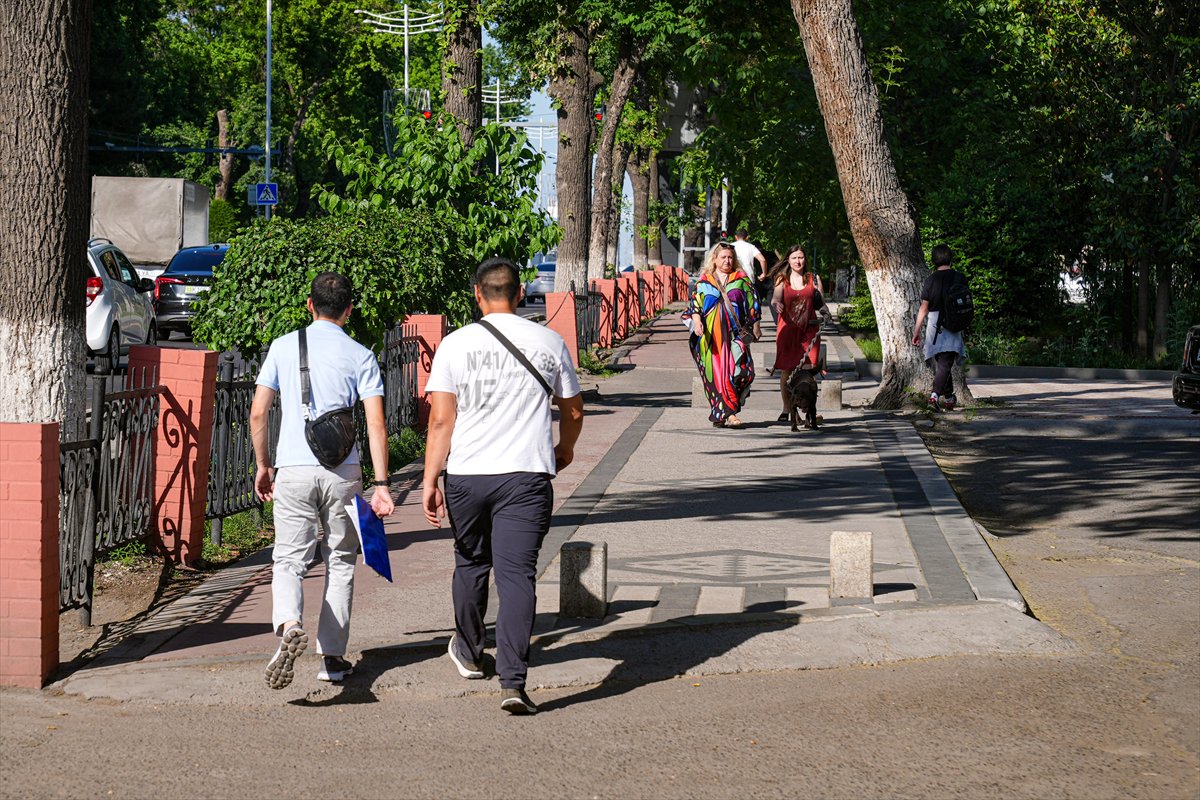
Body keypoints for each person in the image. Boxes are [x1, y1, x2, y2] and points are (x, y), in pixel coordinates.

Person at [422, 257, 585, 715]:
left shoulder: (455, 344)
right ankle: (513, 683)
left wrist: (430, 479)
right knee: (517, 576)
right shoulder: (549, 341)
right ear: (519, 294)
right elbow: (573, 410)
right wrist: (565, 449)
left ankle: (470, 652)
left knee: (471, 562)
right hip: (526, 476)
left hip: (468, 475)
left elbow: (441, 420)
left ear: (478, 294)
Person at [250, 272, 395, 690]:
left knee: (288, 559)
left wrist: (264, 465)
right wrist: (381, 484)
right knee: (340, 560)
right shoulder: (360, 355)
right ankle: (331, 658)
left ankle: (289, 624)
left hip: (293, 469)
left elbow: (259, 412)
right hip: (342, 471)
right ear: (349, 310)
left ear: (309, 305)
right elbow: (376, 423)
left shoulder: (283, 346)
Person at [688, 241, 761, 428]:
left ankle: (723, 412)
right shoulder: (704, 281)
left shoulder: (741, 279)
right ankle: (729, 414)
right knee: (719, 376)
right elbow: (695, 306)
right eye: (723, 257)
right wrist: (697, 322)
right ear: (714, 259)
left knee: (742, 372)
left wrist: (756, 326)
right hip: (711, 339)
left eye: (730, 257)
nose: (727, 261)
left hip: (736, 335)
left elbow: (753, 304)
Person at [769, 245, 832, 422]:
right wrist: (776, 304)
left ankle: (810, 409)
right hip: (788, 331)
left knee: (808, 371)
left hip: (809, 331)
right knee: (787, 370)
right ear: (788, 260)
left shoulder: (813, 279)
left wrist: (826, 313)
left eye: (801, 257)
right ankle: (787, 408)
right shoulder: (782, 279)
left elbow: (820, 302)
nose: (798, 261)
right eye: (794, 258)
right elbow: (775, 298)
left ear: (805, 259)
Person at [911, 244, 968, 411]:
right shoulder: (959, 277)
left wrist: (916, 332)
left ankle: (945, 397)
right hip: (953, 323)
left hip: (934, 325)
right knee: (945, 363)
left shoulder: (931, 280)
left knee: (943, 363)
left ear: (934, 260)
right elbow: (966, 303)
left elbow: (924, 308)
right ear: (950, 258)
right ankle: (937, 397)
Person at [732, 229, 769, 302]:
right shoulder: (751, 247)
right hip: (749, 279)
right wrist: (764, 273)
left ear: (736, 237)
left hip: (733, 279)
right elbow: (762, 260)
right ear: (747, 237)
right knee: (749, 303)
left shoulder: (731, 246)